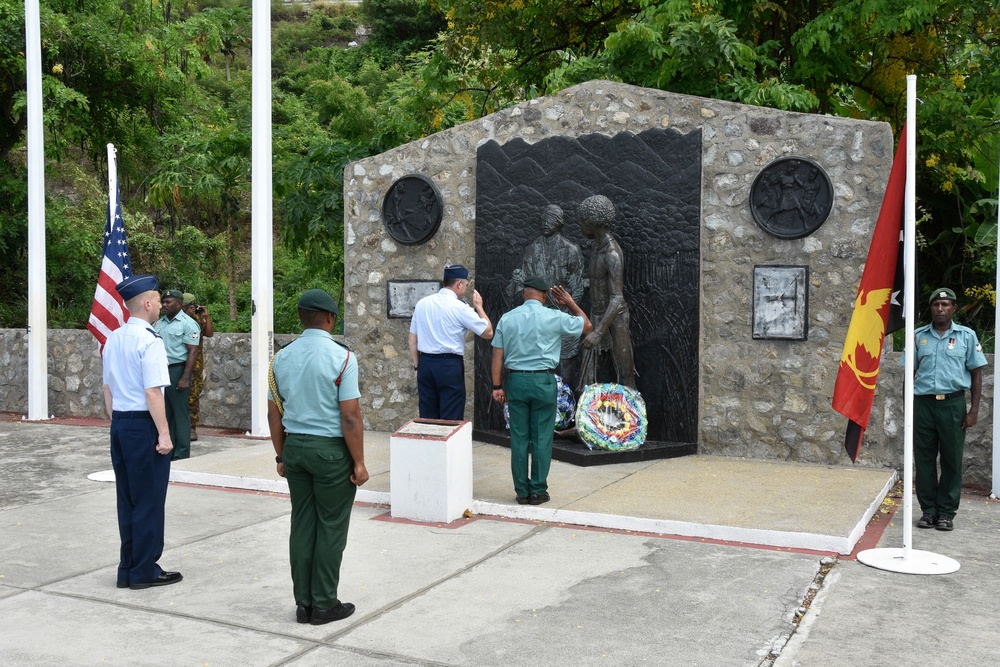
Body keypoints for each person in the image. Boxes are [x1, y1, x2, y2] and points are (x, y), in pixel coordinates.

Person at [267, 288, 368, 625]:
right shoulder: (343, 357)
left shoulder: (281, 358)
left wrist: (280, 455)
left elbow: (273, 414)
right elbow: (350, 416)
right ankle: (324, 604)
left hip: (294, 449)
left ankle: (304, 604)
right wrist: (359, 462)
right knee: (331, 527)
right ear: (329, 318)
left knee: (302, 524)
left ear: (300, 317)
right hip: (331, 452)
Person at [102, 274, 183, 590]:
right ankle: (144, 570)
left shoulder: (114, 338)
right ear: (147, 303)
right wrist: (163, 434)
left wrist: (116, 422)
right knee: (148, 500)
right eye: (159, 300)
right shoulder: (150, 341)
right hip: (142, 424)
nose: (161, 305)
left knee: (129, 499)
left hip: (121, 423)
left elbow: (107, 388)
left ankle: (129, 568)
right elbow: (153, 393)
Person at [491, 277, 592, 505]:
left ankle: (521, 492)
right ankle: (538, 490)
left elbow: (497, 354)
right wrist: (570, 304)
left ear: (523, 294)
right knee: (542, 437)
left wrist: (497, 386)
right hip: (544, 380)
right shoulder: (553, 316)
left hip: (516, 380)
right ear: (545, 296)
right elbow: (587, 326)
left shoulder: (507, 318)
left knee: (518, 438)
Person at [910, 287, 987, 532]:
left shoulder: (966, 336)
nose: (940, 309)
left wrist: (973, 410)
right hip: (923, 405)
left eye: (946, 305)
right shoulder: (918, 336)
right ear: (931, 308)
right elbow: (907, 374)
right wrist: (907, 407)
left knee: (952, 460)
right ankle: (928, 511)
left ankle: (946, 512)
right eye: (936, 305)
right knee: (924, 460)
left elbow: (976, 374)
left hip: (954, 405)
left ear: (953, 308)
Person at [409, 264, 494, 420]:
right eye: (466, 285)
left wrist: (417, 366)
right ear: (459, 284)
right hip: (449, 364)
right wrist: (479, 308)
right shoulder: (459, 307)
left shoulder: (423, 303)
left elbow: (412, 338)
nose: (466, 289)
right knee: (451, 416)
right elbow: (488, 333)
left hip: (425, 363)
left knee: (427, 416)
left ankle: (430, 444)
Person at [518, 204, 585, 383]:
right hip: (538, 320)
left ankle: (567, 405)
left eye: (550, 219)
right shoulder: (532, 249)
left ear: (559, 223)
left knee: (566, 366)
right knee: (540, 367)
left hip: (563, 318)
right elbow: (523, 282)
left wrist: (567, 310)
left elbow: (577, 286)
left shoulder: (571, 250)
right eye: (543, 219)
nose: (545, 223)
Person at [577, 195, 636, 392]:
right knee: (588, 376)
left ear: (592, 223)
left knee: (625, 375)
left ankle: (635, 417)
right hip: (597, 314)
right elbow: (596, 281)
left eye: (582, 222)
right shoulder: (596, 248)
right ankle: (586, 417)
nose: (580, 226)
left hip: (615, 318)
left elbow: (617, 298)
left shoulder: (611, 253)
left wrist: (598, 332)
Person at [154, 289, 201, 459]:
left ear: (179, 304)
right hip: (161, 371)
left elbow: (192, 352)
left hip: (177, 370)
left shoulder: (188, 323)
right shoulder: (159, 323)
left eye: (168, 302)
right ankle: (170, 448)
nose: (164, 305)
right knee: (165, 411)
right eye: (163, 302)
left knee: (180, 412)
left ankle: (182, 451)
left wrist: (184, 377)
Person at [182, 293, 213, 441]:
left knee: (193, 397)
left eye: (194, 305)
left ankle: (191, 428)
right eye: (190, 306)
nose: (193, 308)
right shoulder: (176, 321)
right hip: (178, 363)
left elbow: (209, 333)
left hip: (195, 365)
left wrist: (206, 316)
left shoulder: (197, 320)